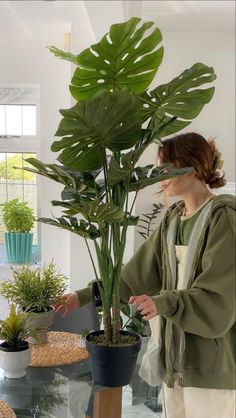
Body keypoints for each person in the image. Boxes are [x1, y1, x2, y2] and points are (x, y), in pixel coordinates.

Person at [54, 132, 235, 418]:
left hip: (209, 364)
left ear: (192, 166)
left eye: (166, 167)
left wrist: (161, 302)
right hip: (174, 358)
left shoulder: (223, 217)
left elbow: (218, 295)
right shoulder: (173, 220)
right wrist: (83, 296)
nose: (159, 175)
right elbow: (131, 278)